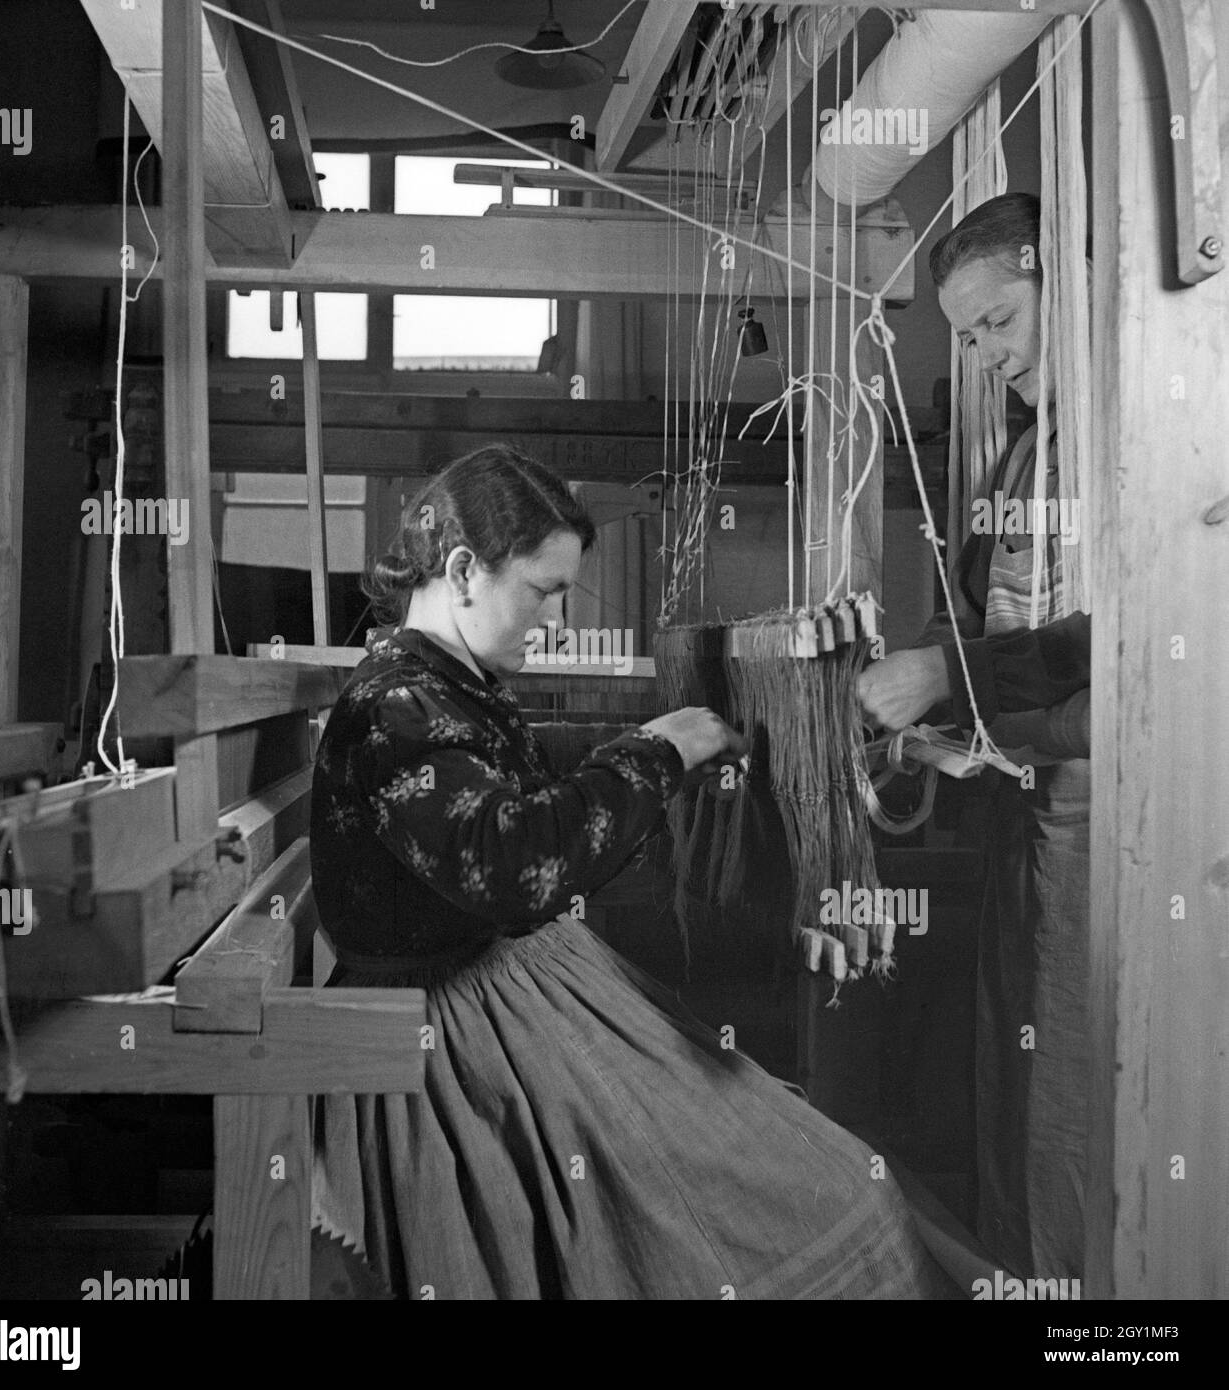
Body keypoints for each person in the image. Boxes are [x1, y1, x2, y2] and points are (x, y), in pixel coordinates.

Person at [310, 443, 951, 1300]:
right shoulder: (393, 705)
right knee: (813, 1201)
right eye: (546, 591)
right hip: (453, 1048)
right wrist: (655, 755)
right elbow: (517, 866)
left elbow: (533, 810)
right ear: (464, 571)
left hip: (507, 1001)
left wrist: (676, 763)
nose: (562, 622)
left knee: (829, 1180)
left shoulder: (448, 687)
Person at [857, 193, 1092, 1281]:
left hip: (1099, 817)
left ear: (1066, 279)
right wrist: (915, 722)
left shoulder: (1136, 445)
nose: (989, 356)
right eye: (969, 337)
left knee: (1070, 1105)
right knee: (1013, 1074)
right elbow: (970, 620)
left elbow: (1117, 648)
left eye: (999, 320)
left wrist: (942, 677)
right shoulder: (1017, 463)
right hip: (1023, 811)